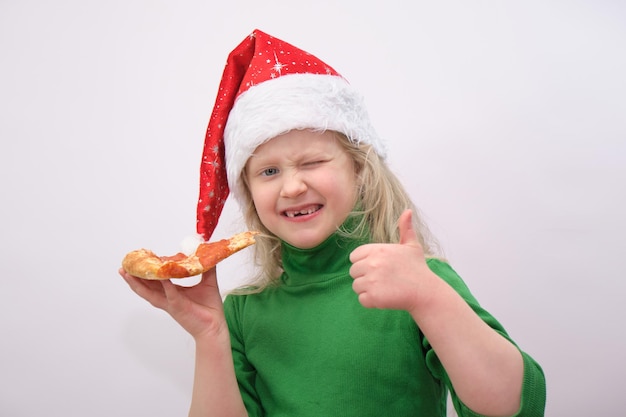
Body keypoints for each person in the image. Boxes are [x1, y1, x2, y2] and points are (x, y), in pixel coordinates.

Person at [120, 29, 546, 417]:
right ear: (250, 194)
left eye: (313, 161)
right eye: (268, 172)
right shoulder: (244, 312)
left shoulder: (416, 281)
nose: (291, 186)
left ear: (359, 170)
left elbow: (513, 407)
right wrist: (210, 335)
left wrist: (429, 298)